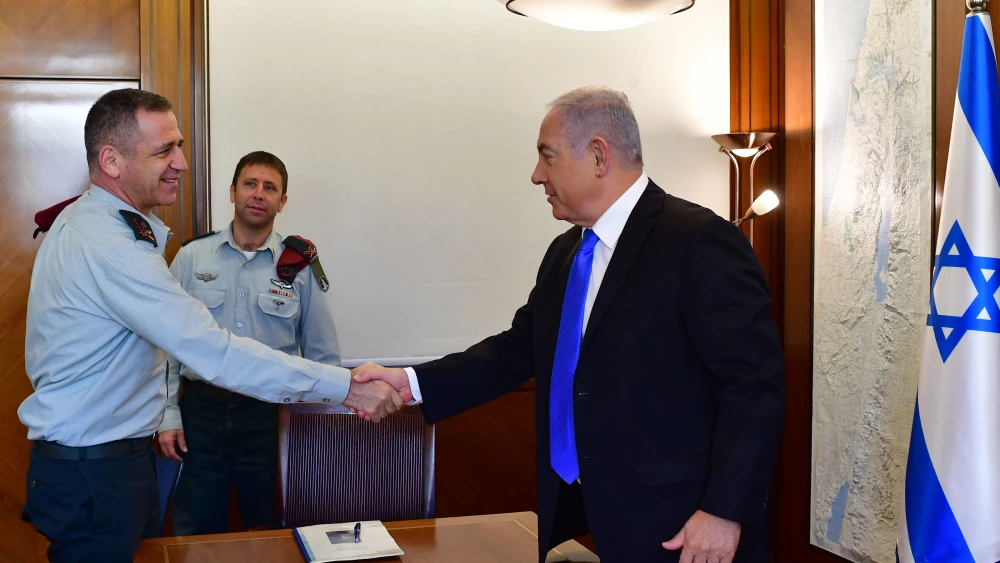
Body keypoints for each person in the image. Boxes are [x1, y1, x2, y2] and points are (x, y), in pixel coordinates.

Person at [353, 86, 785, 563]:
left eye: (548, 157)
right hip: (595, 520)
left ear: (598, 156)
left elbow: (754, 387)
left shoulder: (700, 241)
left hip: (686, 529)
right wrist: (410, 382)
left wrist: (723, 511)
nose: (537, 175)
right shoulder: (566, 253)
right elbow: (515, 351)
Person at [18, 89, 404, 563]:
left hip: (118, 461)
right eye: (165, 150)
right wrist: (346, 386)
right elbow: (210, 351)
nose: (181, 162)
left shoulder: (109, 228)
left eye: (178, 145)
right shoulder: (109, 244)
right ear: (112, 160)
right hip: (97, 471)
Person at [156, 151, 341, 535]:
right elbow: (164, 348)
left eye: (270, 187)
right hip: (200, 414)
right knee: (196, 529)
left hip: (271, 417)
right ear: (232, 192)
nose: (259, 193)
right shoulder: (192, 257)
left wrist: (317, 432)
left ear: (282, 201)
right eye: (250, 184)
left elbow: (323, 356)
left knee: (271, 526)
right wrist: (168, 415)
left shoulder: (300, 267)